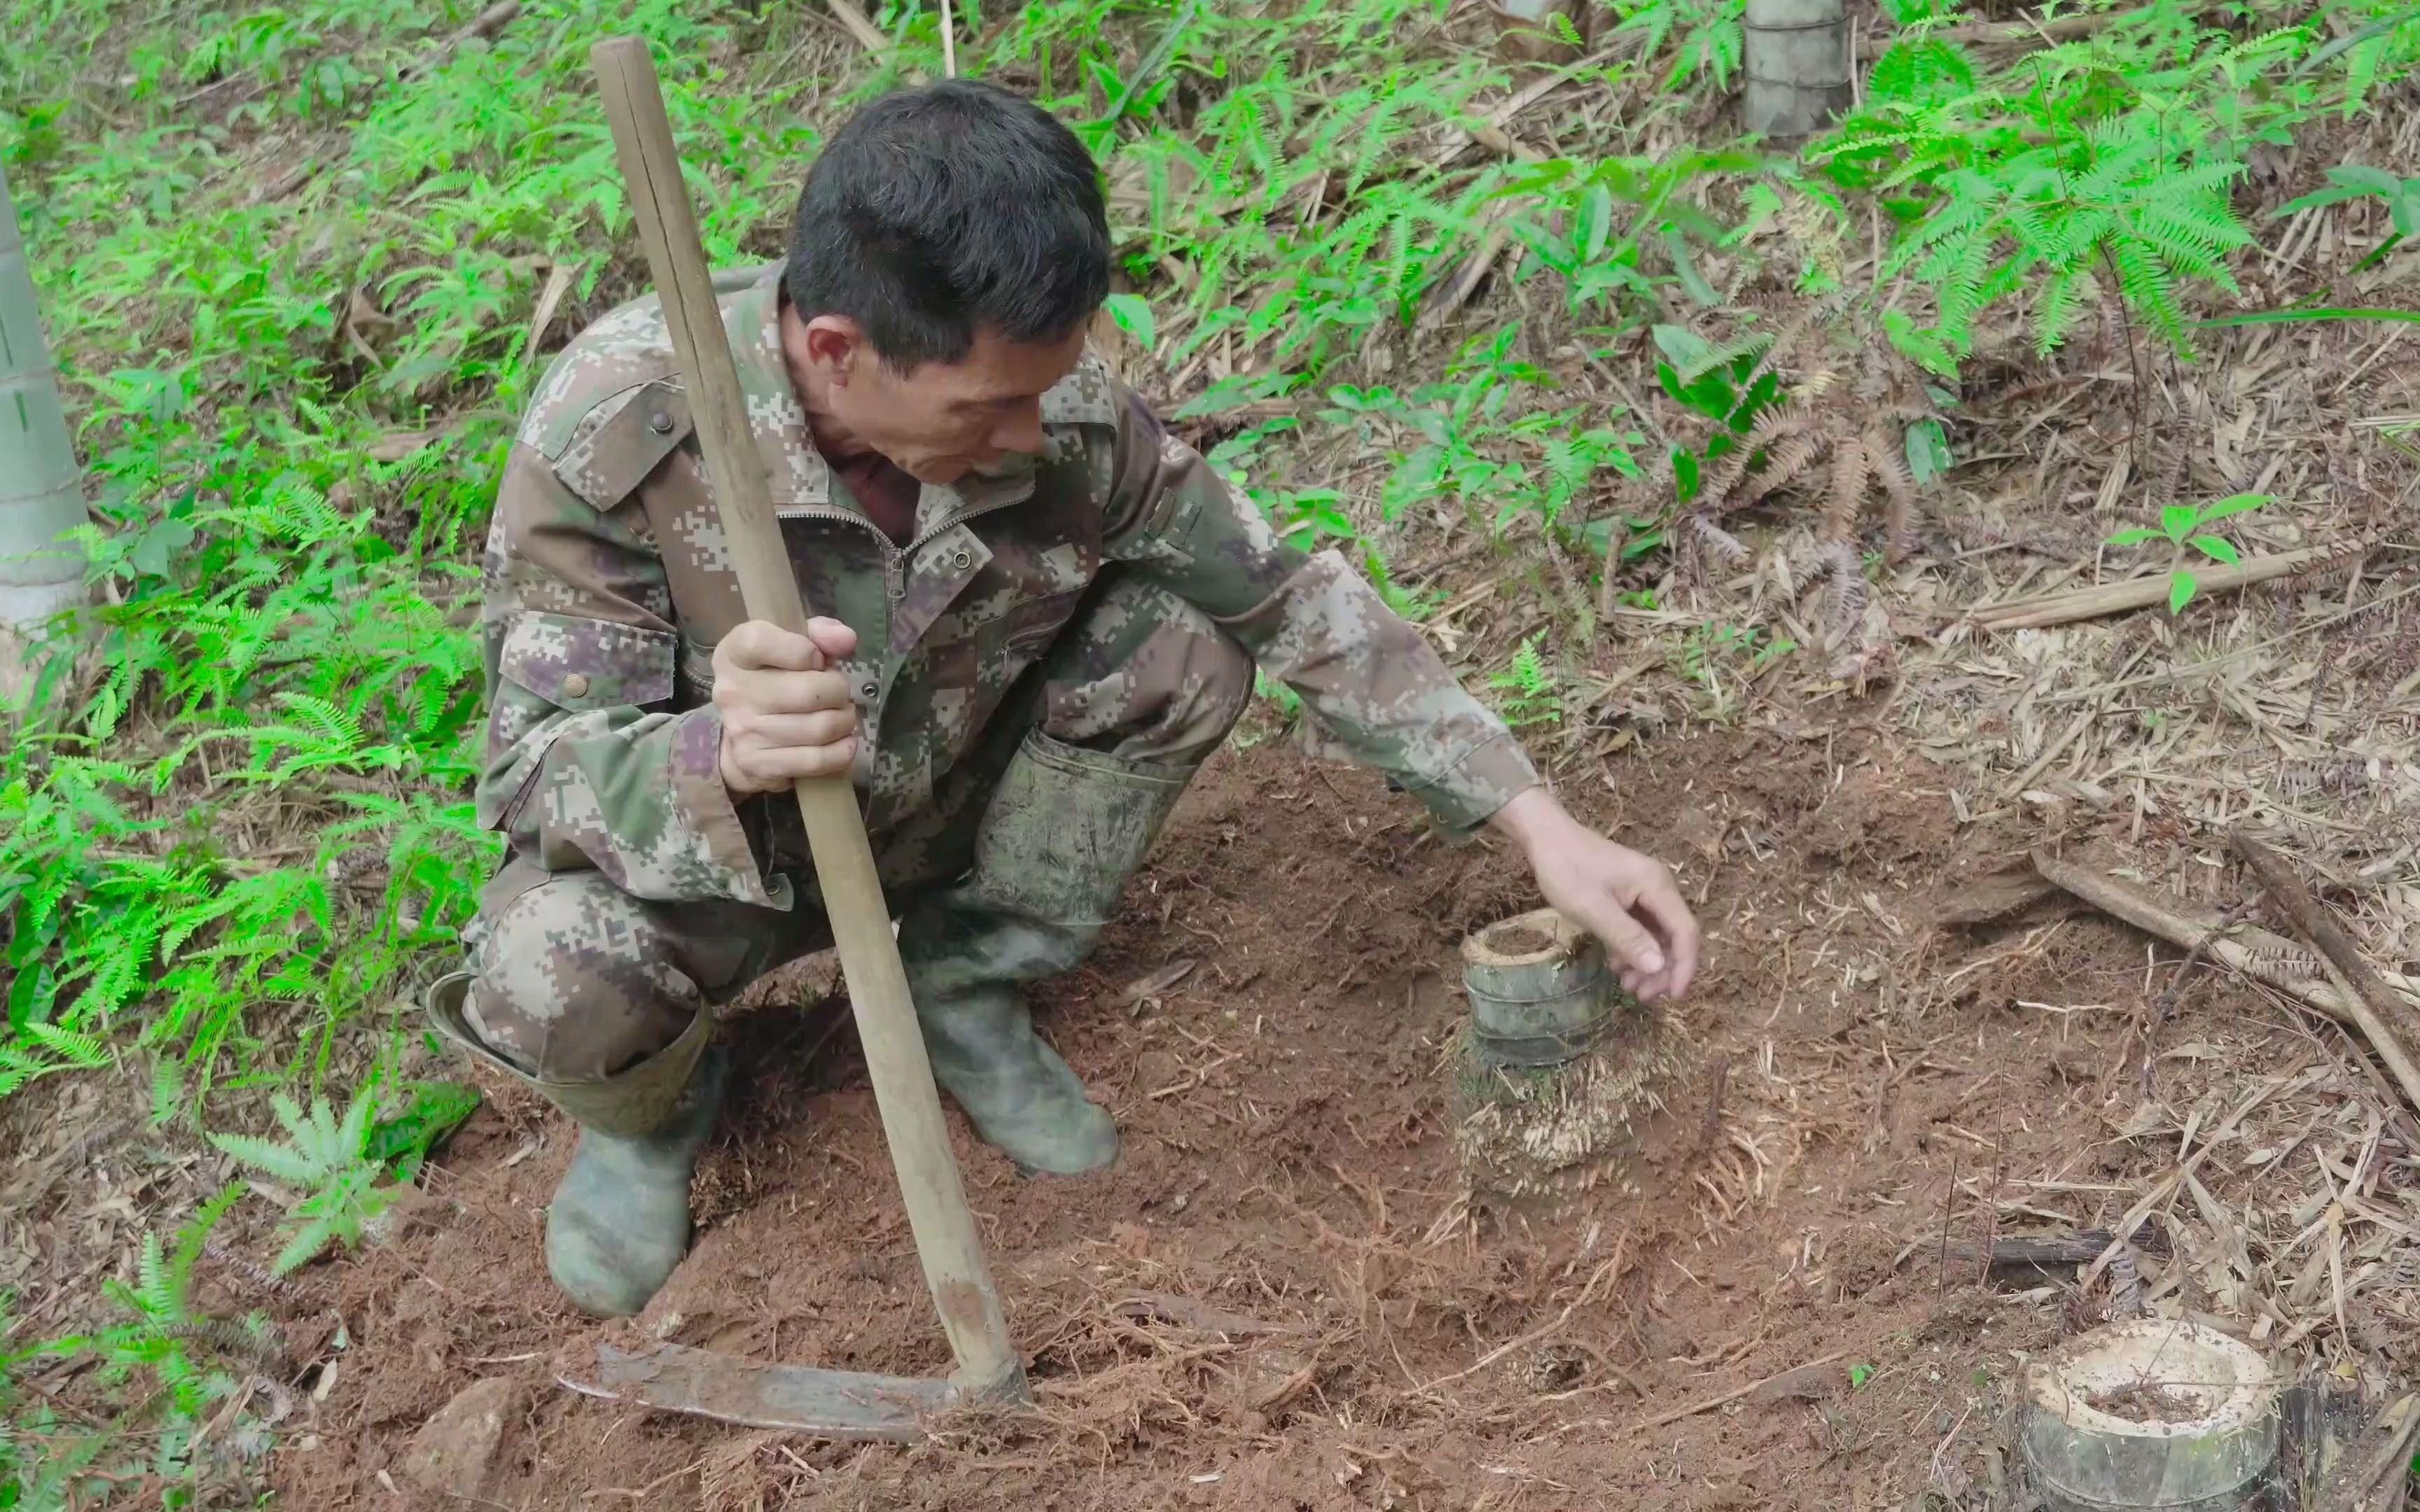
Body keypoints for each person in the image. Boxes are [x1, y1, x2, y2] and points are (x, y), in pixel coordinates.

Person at [423, 77, 1700, 1318]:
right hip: (730, 872)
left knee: (1182, 640)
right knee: (549, 969)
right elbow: (533, 776)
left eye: (1044, 392)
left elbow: (1283, 599)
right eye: (992, 405)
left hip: (944, 817)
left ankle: (967, 980)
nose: (1034, 438)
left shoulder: (1062, 408)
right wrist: (719, 749)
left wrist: (1538, 823)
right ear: (837, 352)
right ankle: (654, 1121)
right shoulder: (628, 424)